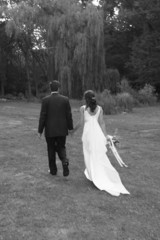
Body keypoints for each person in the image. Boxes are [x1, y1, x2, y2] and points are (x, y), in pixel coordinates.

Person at [73, 90, 130, 196]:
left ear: (86, 99)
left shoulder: (83, 109)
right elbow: (102, 123)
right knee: (98, 154)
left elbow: (81, 122)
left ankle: (94, 174)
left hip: (88, 134)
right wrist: (105, 136)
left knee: (89, 154)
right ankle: (95, 173)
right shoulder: (99, 108)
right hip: (97, 134)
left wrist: (73, 130)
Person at [38, 80, 73, 177]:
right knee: (61, 147)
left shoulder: (45, 100)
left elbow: (43, 116)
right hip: (62, 130)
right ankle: (64, 161)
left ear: (50, 89)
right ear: (58, 88)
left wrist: (40, 130)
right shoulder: (65, 99)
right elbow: (68, 115)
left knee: (51, 149)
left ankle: (53, 170)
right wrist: (70, 128)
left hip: (50, 130)